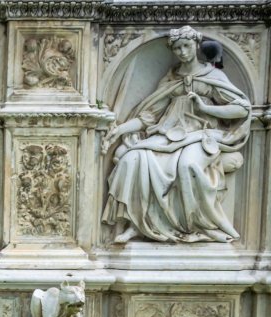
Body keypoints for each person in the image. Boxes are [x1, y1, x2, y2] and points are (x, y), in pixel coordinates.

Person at [101, 25, 251, 244]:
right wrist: (118, 131)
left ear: (196, 45)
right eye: (177, 48)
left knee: (187, 165)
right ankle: (137, 223)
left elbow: (242, 109)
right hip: (168, 135)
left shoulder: (213, 76)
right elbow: (148, 117)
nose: (182, 52)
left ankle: (200, 225)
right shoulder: (170, 79)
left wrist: (206, 109)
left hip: (201, 136)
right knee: (131, 158)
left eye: (186, 46)